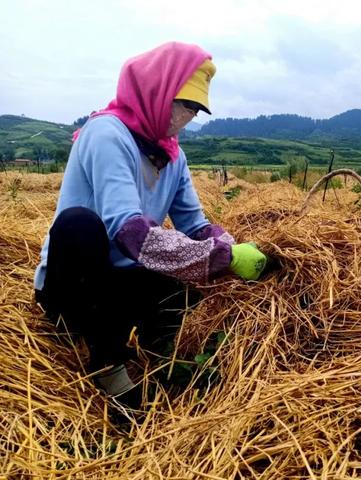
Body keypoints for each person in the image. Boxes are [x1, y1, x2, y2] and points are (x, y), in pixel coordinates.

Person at [33, 42, 268, 407]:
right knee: (79, 225)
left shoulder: (172, 154)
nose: (187, 116)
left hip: (120, 281)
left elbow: (195, 224)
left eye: (194, 109)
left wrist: (231, 246)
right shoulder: (108, 134)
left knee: (184, 297)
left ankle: (162, 360)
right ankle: (106, 362)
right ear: (155, 91)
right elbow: (130, 233)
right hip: (74, 284)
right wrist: (220, 257)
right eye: (184, 104)